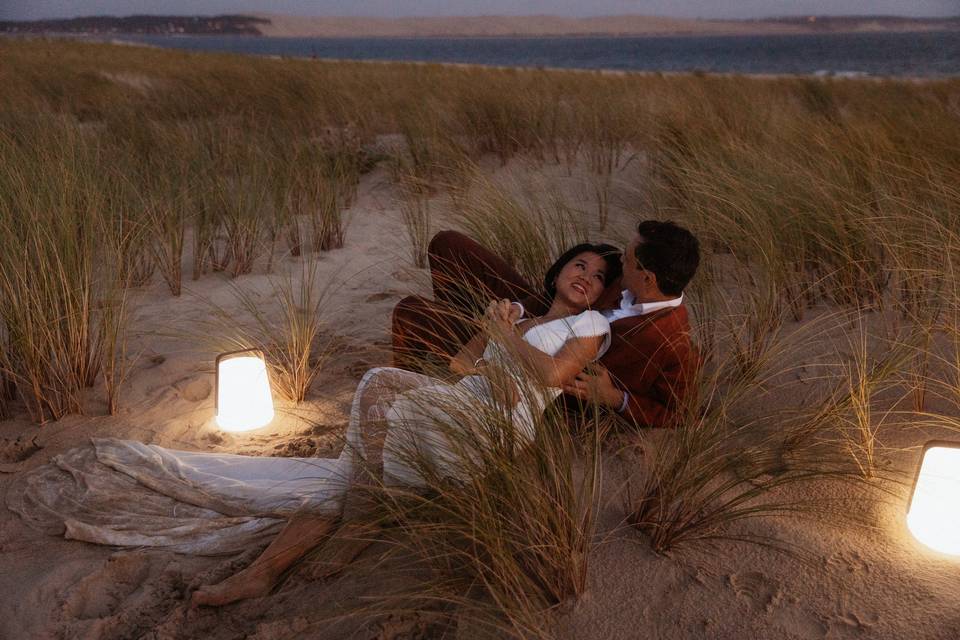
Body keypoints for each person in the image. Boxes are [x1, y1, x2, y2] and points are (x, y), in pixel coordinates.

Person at [9, 243, 622, 608]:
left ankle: (350, 524)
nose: (585, 277)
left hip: (492, 428)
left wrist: (503, 335)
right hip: (457, 407)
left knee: (376, 385)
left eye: (597, 277)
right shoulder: (515, 315)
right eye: (579, 264)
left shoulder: (590, 330)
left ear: (598, 297)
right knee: (352, 464)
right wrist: (489, 323)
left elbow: (547, 378)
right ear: (558, 268)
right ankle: (263, 572)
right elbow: (461, 368)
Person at [392, 220, 701, 430]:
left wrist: (615, 398)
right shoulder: (628, 280)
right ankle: (465, 328)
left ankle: (417, 383)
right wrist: (516, 308)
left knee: (412, 312)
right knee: (448, 244)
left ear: (648, 278)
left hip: (537, 367)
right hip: (541, 316)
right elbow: (569, 296)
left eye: (629, 258)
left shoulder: (672, 342)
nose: (621, 259)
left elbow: (679, 413)